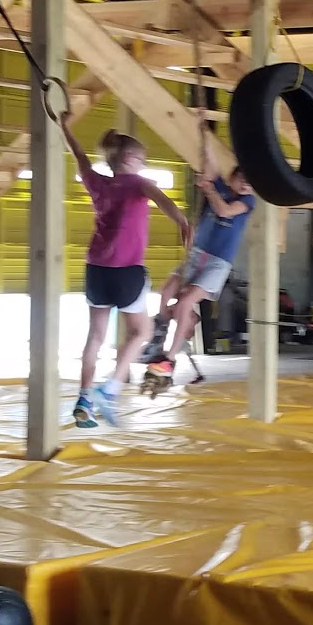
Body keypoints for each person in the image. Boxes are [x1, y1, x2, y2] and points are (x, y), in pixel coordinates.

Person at [61, 121, 188, 428]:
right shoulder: (137, 183)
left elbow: (79, 156)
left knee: (95, 336)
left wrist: (65, 126)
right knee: (142, 332)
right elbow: (162, 199)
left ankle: (84, 398)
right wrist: (183, 222)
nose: (143, 165)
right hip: (127, 271)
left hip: (96, 269)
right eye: (142, 160)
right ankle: (111, 388)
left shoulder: (97, 182)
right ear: (130, 159)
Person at [143, 165, 255, 373]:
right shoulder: (220, 186)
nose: (246, 185)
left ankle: (169, 358)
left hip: (217, 262)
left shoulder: (248, 201)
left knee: (185, 303)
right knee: (165, 292)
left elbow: (224, 211)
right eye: (242, 179)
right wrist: (204, 143)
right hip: (197, 252)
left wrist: (208, 188)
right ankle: (160, 335)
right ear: (232, 177)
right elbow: (209, 162)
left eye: (250, 183)